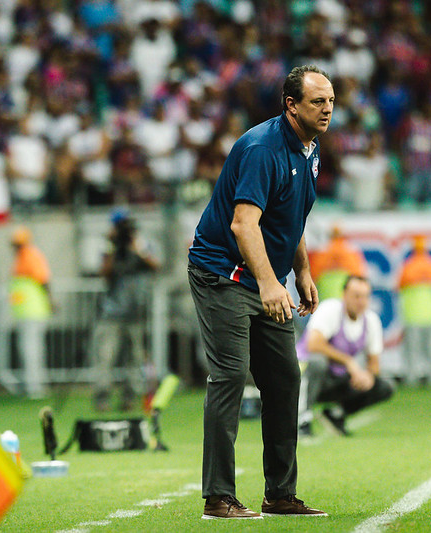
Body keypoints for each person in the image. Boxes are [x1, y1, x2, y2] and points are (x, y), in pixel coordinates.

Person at [187, 65, 333, 520]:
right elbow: (243, 223)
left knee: (286, 378)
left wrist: (302, 271)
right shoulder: (260, 148)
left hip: (264, 277)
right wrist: (272, 283)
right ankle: (218, 497)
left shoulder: (311, 149)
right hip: (223, 274)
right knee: (230, 375)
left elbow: (290, 218)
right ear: (291, 105)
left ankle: (280, 494)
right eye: (317, 102)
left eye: (330, 101)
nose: (327, 109)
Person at [296, 275, 393, 437]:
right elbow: (313, 345)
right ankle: (302, 420)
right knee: (317, 362)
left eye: (365, 296)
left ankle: (336, 414)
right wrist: (348, 361)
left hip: (336, 379)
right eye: (356, 296)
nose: (361, 301)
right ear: (344, 295)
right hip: (304, 376)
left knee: (384, 385)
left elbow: (374, 363)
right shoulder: (331, 310)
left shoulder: (371, 321)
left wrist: (368, 376)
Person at [92, 208, 160, 411]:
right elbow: (104, 273)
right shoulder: (110, 248)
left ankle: (129, 398)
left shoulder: (141, 245)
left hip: (135, 312)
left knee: (135, 359)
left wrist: (137, 248)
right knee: (105, 357)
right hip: (111, 313)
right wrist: (114, 247)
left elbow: (156, 266)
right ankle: (102, 398)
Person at [9, 226, 53, 398]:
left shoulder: (30, 255)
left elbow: (44, 279)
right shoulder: (23, 256)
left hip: (32, 311)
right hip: (26, 311)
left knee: (31, 349)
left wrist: (51, 300)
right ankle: (32, 384)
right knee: (29, 349)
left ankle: (35, 386)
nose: (16, 247)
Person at [397, 235, 431, 387]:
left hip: (412, 314)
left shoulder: (408, 265)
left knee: (412, 351)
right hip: (430, 313)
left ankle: (411, 380)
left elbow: (400, 285)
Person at [308, 224, 367, 302]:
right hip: (347, 290)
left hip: (326, 292)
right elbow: (360, 274)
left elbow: (313, 274)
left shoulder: (323, 250)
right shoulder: (351, 250)